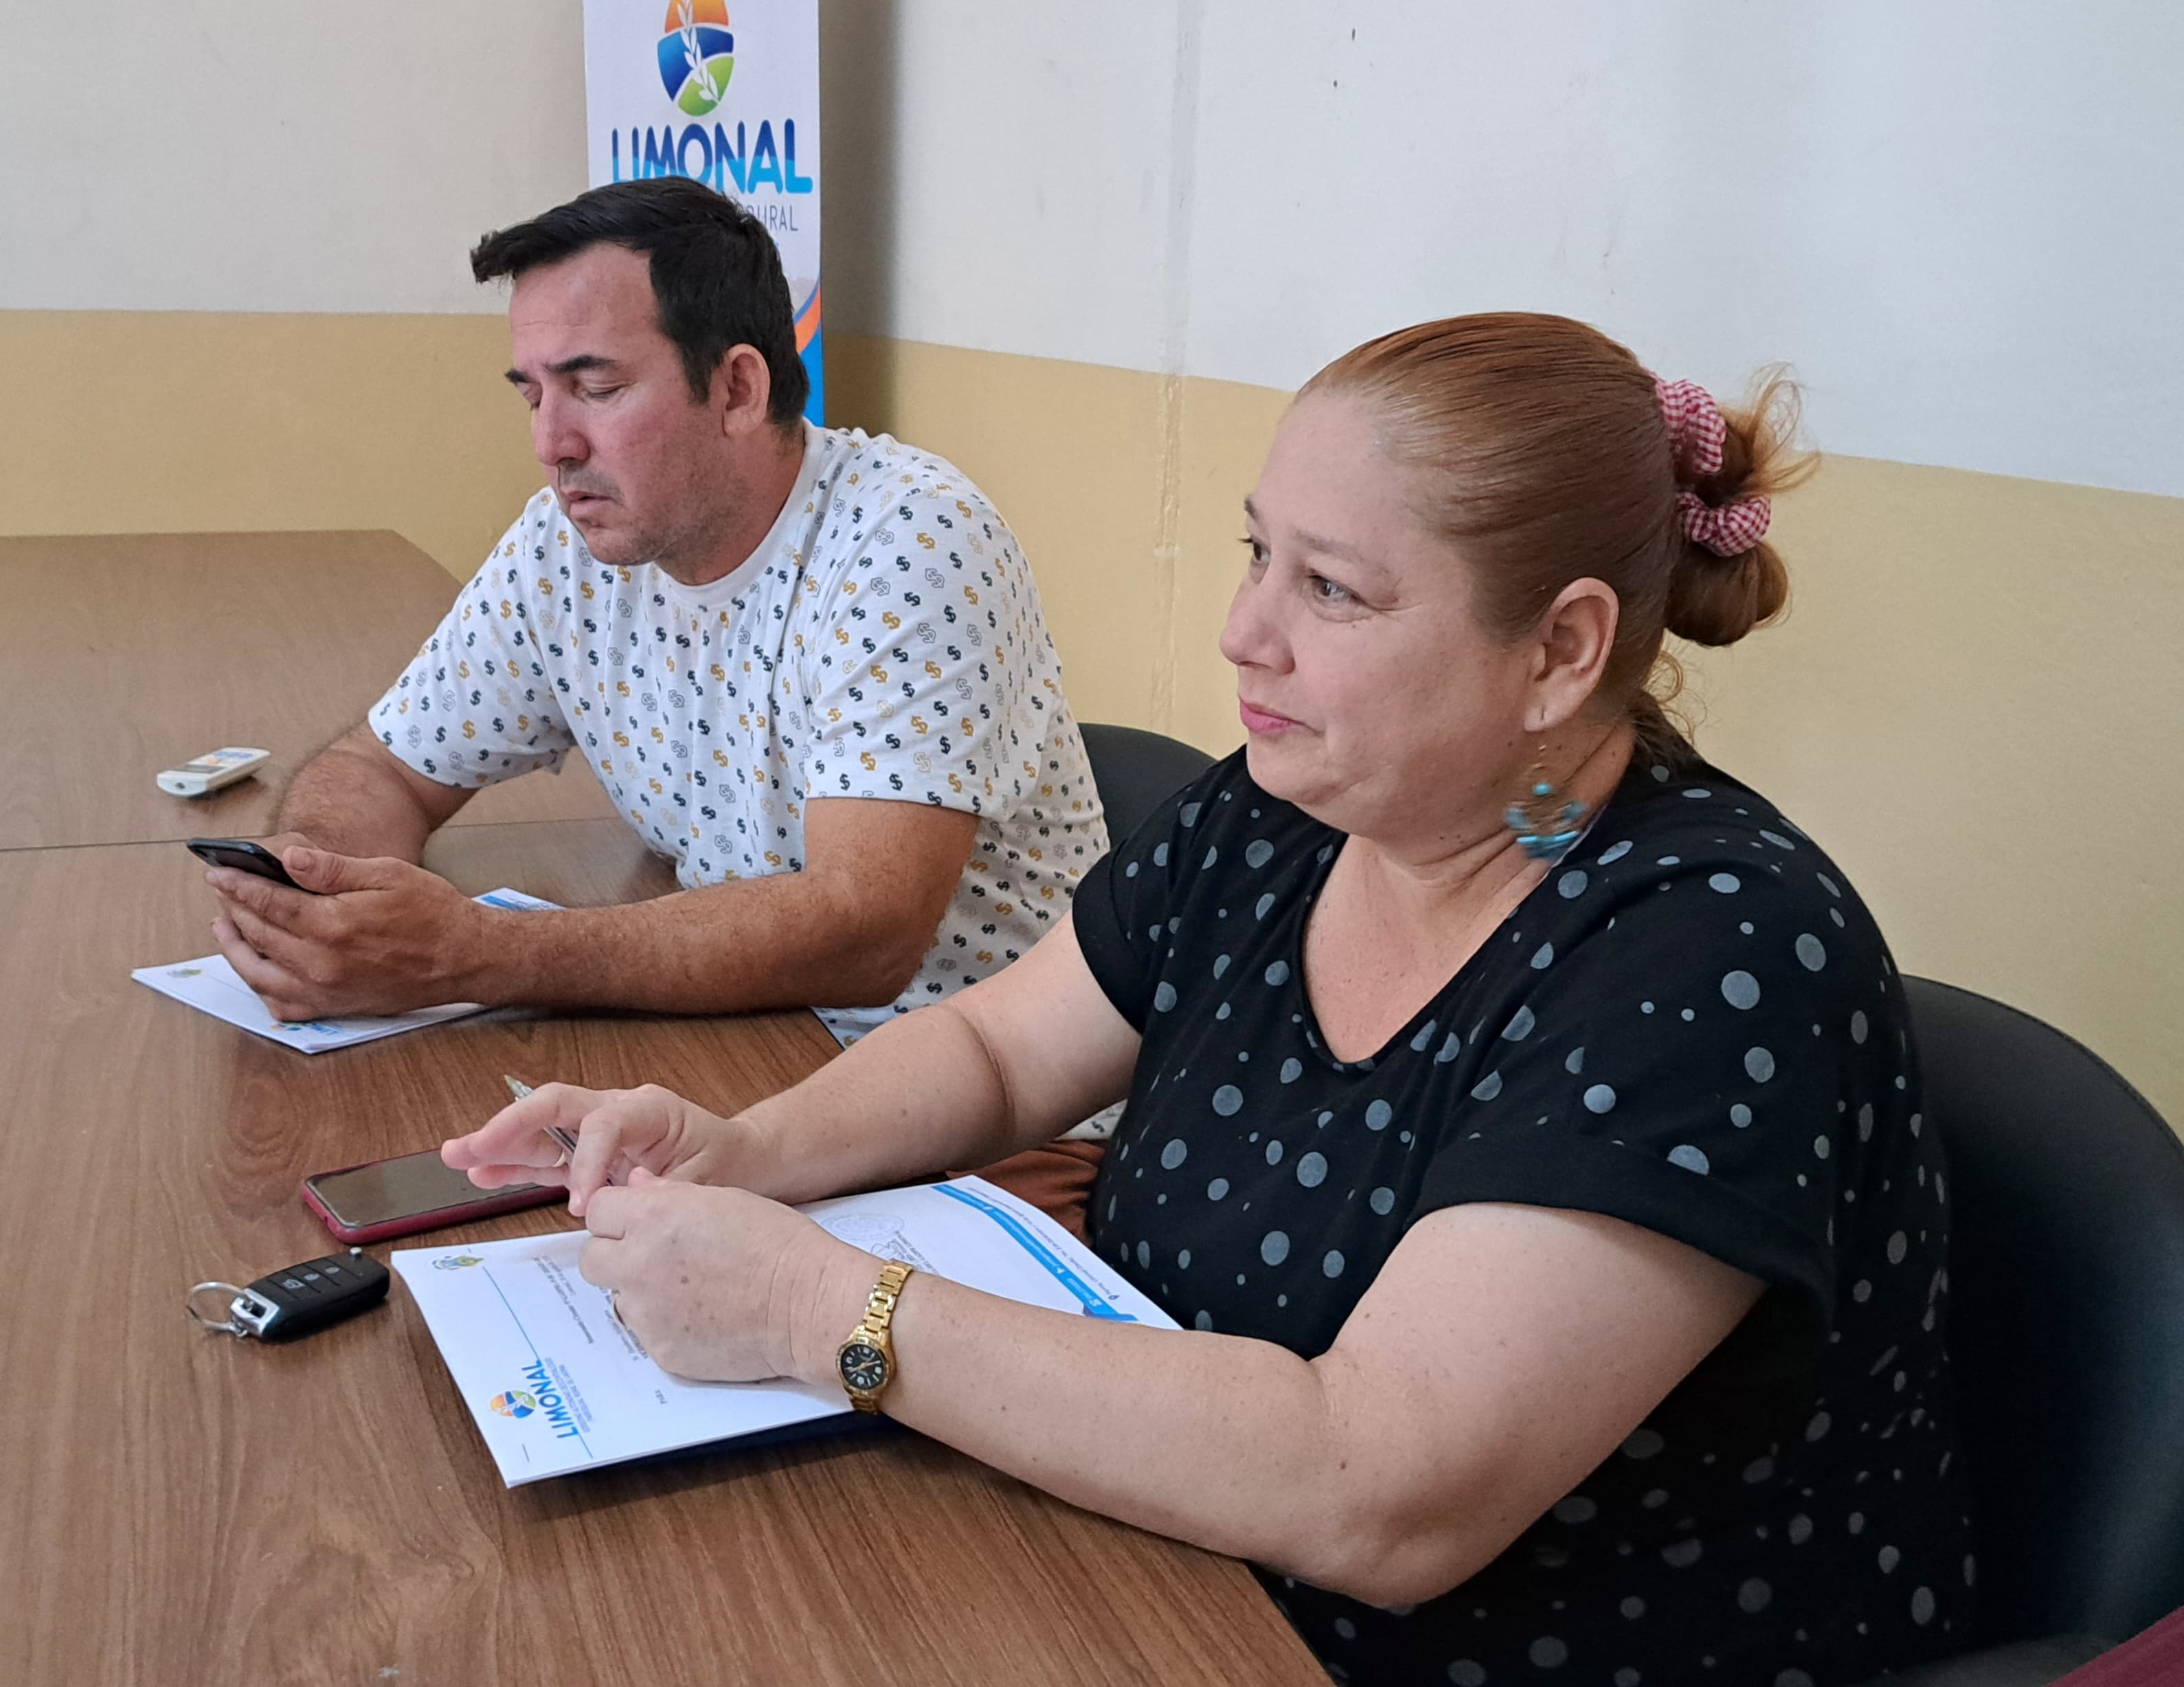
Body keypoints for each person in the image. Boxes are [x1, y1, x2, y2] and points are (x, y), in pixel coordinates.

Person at [446, 313, 1975, 1686]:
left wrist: (815, 1307)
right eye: (1259, 554)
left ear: (1561, 650)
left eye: (1333, 588)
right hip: (1174, 1564)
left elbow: (1384, 1487)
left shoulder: (1711, 953)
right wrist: (742, 1152)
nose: (1246, 632)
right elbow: (997, 1049)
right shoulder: (1284, 809)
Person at [199, 177, 1105, 1057]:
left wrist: (471, 953)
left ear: (738, 390)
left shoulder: (909, 541)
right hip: (747, 1046)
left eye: (595, 389)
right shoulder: (568, 545)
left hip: (994, 1099)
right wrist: (315, 891)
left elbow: (865, 930)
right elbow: (384, 769)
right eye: (533, 395)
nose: (552, 445)